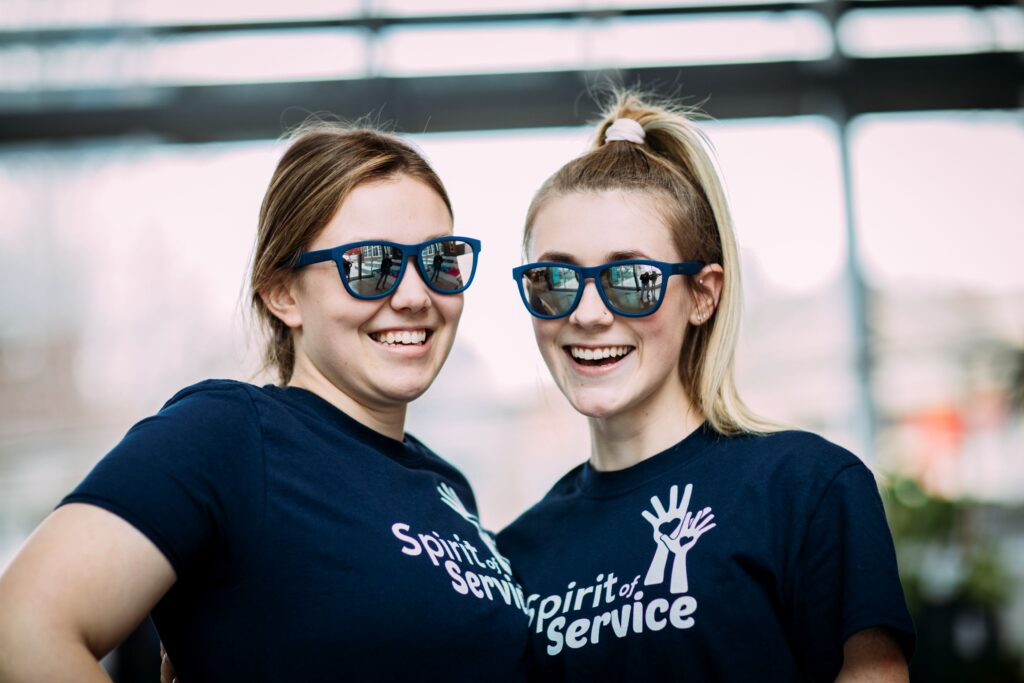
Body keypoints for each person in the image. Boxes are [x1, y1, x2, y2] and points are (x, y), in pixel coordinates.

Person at [0, 124, 529, 682]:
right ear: (282, 293)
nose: (416, 295)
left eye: (439, 260)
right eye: (371, 265)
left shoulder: (448, 486)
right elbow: (22, 627)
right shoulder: (230, 433)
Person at [500, 92, 915, 682]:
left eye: (633, 279)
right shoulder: (518, 553)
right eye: (554, 278)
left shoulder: (805, 487)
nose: (588, 313)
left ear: (703, 294)